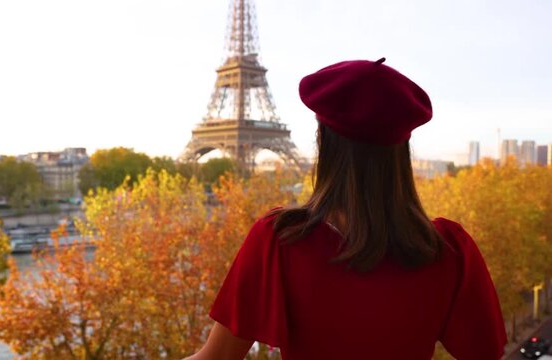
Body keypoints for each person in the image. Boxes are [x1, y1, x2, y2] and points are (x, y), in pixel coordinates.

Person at [185, 58, 507, 360]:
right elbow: (486, 352)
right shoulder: (451, 249)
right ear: (401, 152)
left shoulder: (279, 241)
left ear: (323, 141)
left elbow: (217, 357)